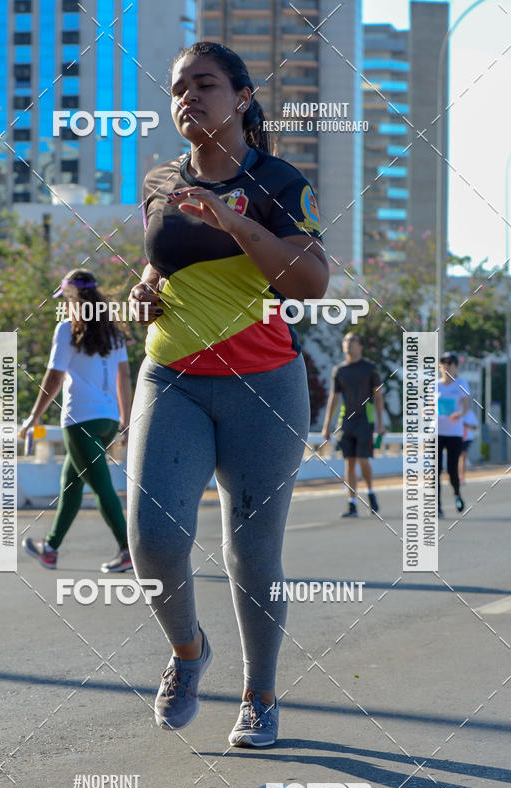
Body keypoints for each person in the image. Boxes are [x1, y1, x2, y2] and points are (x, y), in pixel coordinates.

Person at [127, 42, 329, 747]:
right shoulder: (156, 179)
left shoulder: (278, 180)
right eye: (178, 87)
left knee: (252, 554)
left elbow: (311, 282)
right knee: (153, 540)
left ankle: (261, 694)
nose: (188, 96)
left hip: (263, 386)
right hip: (172, 376)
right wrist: (141, 293)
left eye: (204, 84)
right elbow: (159, 268)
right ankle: (188, 653)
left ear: (241, 97)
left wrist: (234, 221)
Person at [19, 269, 133, 572]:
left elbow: (54, 376)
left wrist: (35, 415)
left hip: (80, 419)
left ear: (71, 298)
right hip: (108, 421)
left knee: (101, 486)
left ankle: (128, 550)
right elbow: (124, 377)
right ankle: (50, 549)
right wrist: (127, 420)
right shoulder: (113, 332)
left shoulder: (67, 329)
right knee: (71, 484)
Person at [321, 333, 384, 517]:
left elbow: (378, 396)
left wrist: (380, 423)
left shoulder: (370, 369)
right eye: (346, 341)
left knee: (363, 460)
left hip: (365, 421)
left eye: (352, 341)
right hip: (346, 421)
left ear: (360, 345)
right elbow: (334, 398)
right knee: (349, 463)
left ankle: (371, 492)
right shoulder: (339, 371)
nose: (348, 344)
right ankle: (352, 504)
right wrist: (327, 425)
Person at [437, 352, 470, 516]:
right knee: (435, 470)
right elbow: (428, 406)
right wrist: (425, 412)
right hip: (436, 433)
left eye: (450, 363)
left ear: (456, 366)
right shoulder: (434, 385)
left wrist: (460, 414)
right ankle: (436, 505)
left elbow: (466, 407)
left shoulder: (461, 384)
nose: (446, 365)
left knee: (451, 469)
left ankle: (457, 494)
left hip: (454, 433)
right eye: (443, 362)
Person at [459, 408, 479, 484]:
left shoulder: (470, 413)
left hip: (467, 438)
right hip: (457, 437)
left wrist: (467, 425)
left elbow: (475, 426)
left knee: (463, 457)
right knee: (459, 458)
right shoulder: (456, 410)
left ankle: (462, 477)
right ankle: (458, 476)